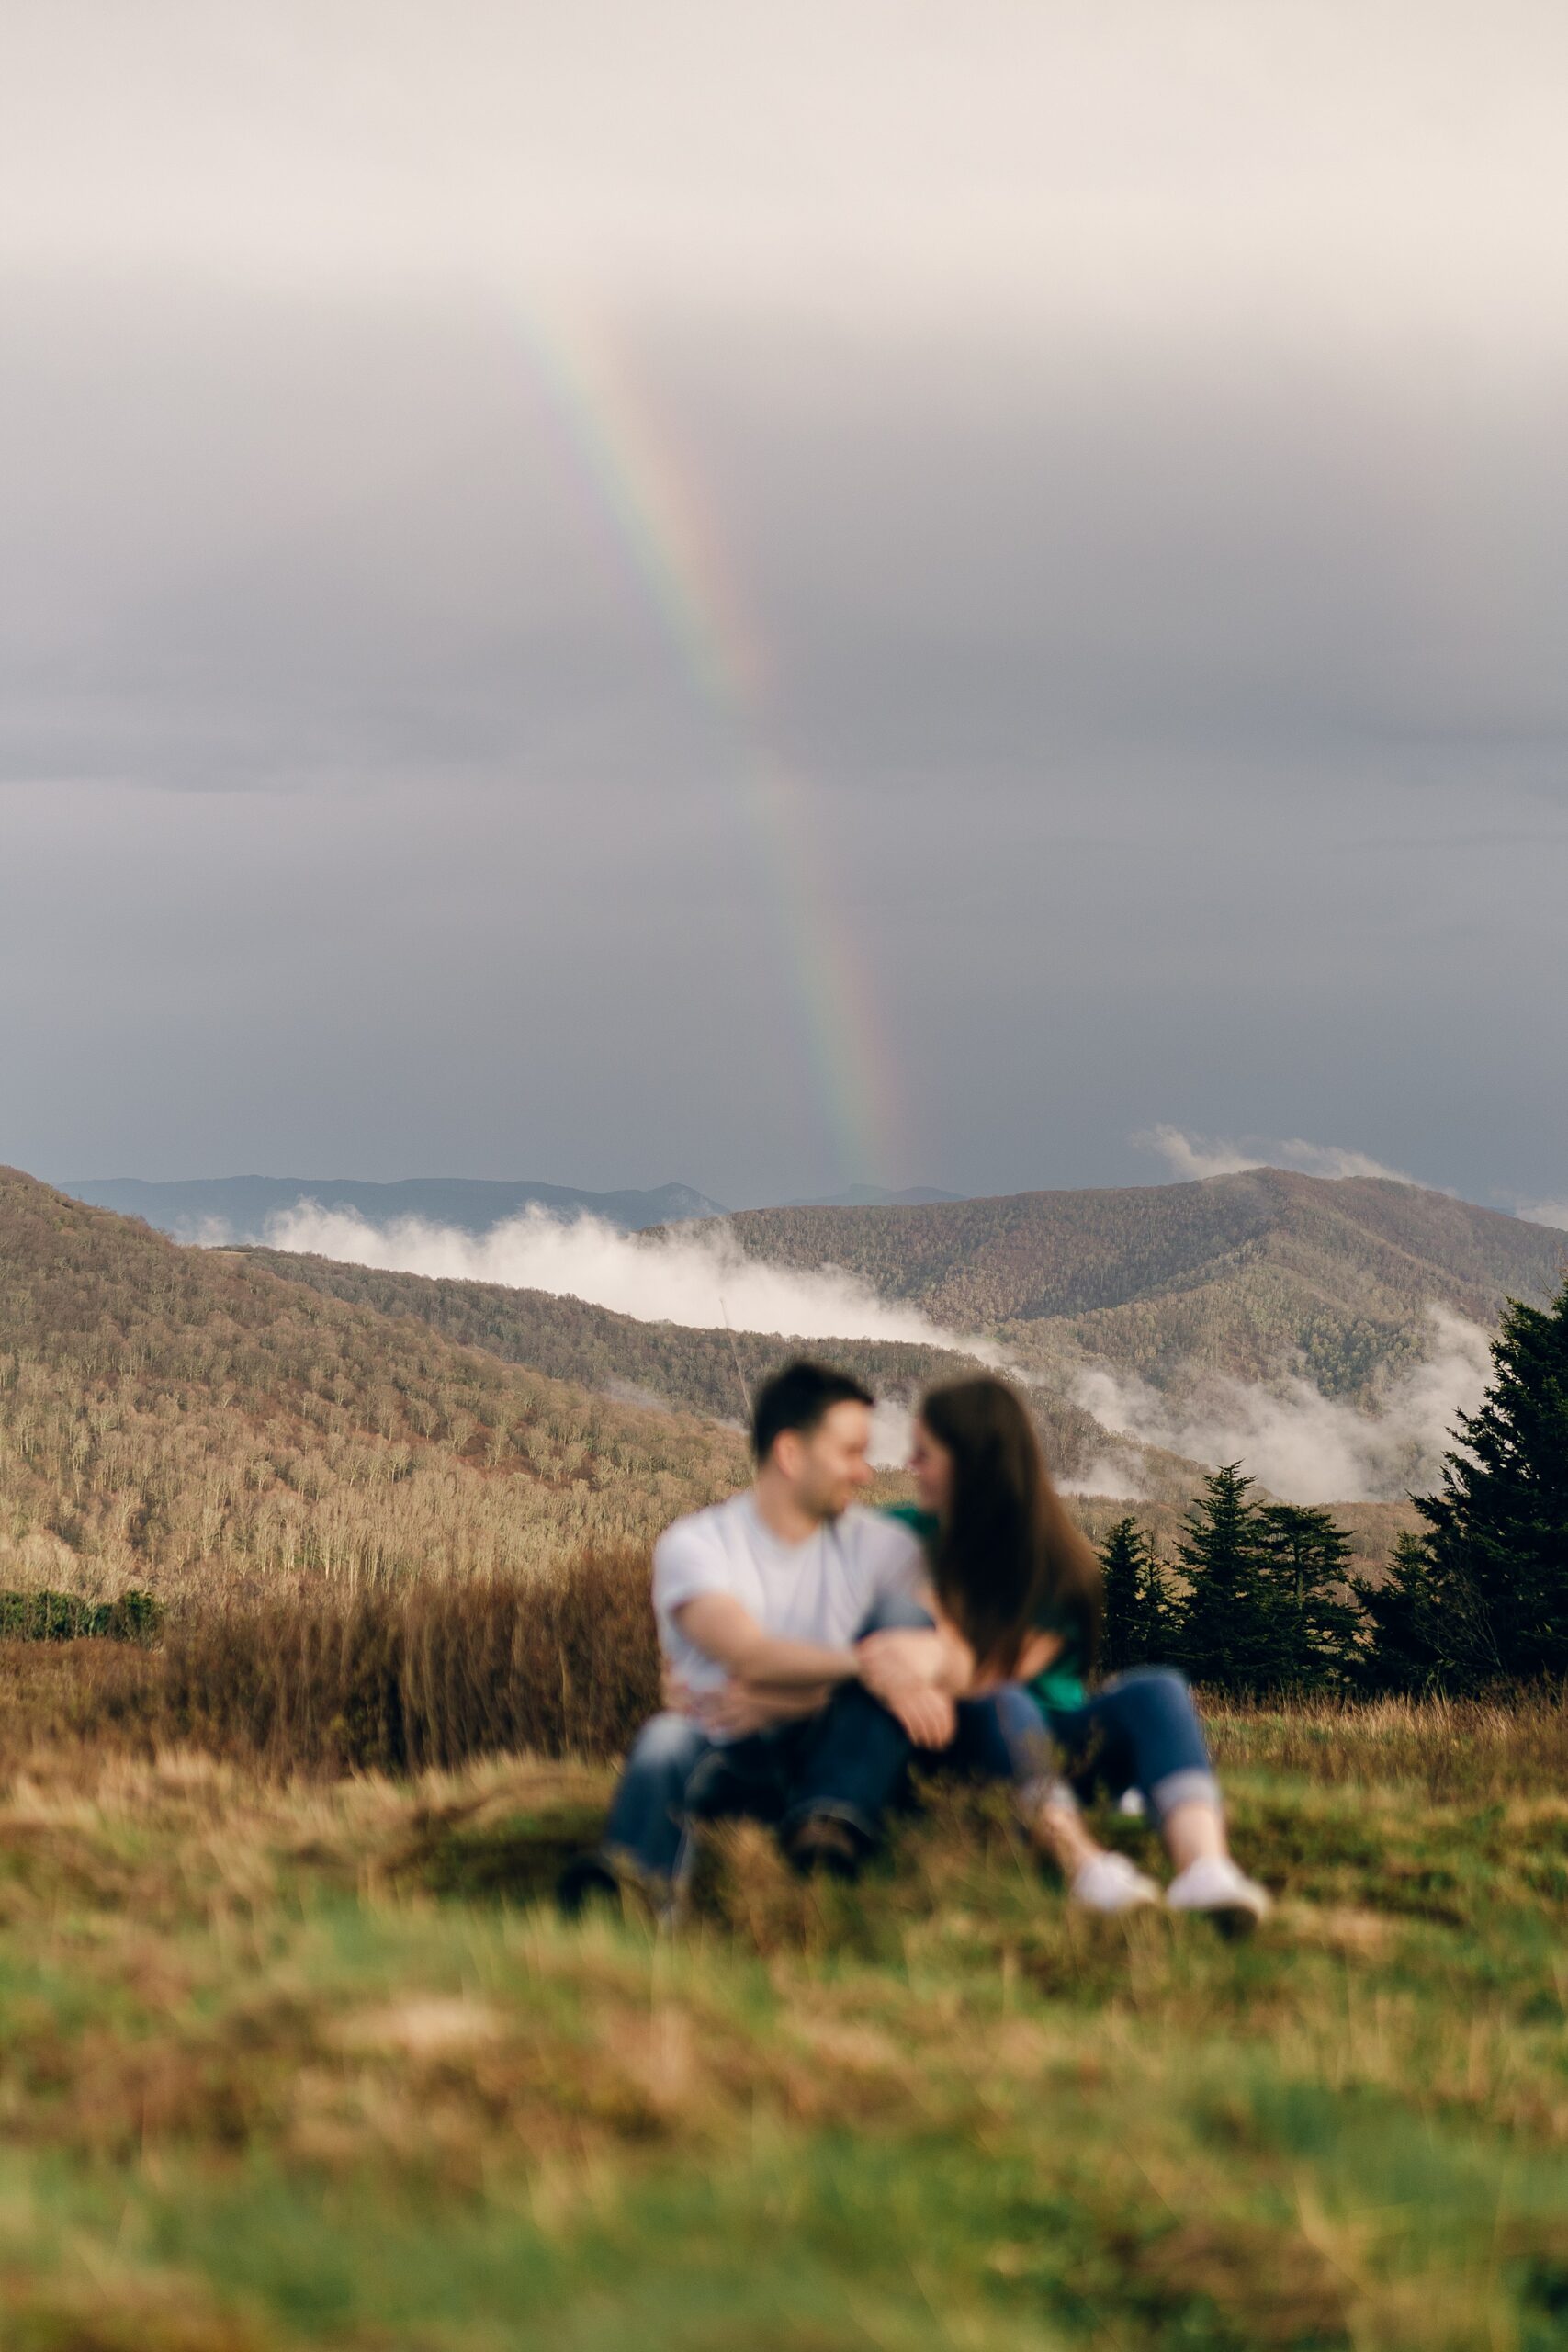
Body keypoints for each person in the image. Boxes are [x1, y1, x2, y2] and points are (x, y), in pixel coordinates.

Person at [858, 1375, 1272, 1927]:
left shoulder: (1053, 1566)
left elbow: (986, 1669)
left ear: (971, 1462)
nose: (910, 1465)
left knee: (1157, 1689)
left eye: (925, 1452)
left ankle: (1206, 1869)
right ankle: (1085, 1867)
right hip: (951, 1743)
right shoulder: (894, 1537)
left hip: (1052, 1747)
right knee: (1005, 1705)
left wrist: (923, 1647)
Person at [558, 1361, 962, 1916]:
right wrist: (870, 1670)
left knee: (903, 1619)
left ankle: (828, 1835)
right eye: (850, 1452)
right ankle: (627, 1891)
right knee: (666, 1741)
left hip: (841, 1754)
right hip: (729, 1751)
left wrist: (804, 1696)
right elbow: (747, 1653)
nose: (865, 1472)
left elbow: (937, 1652)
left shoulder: (887, 1550)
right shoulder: (698, 1544)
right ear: (791, 1454)